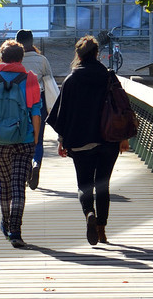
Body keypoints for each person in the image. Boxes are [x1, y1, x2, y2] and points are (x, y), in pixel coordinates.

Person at [47, 35, 121, 246]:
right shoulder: (109, 77)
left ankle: (89, 213)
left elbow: (62, 115)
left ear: (78, 55)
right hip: (108, 139)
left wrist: (62, 140)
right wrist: (123, 138)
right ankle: (102, 229)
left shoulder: (71, 80)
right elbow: (120, 107)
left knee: (85, 185)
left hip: (80, 141)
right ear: (97, 54)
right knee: (103, 184)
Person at [0, 39, 43, 249]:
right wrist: (34, 139)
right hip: (23, 139)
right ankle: (15, 231)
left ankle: (5, 223)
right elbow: (36, 111)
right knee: (18, 187)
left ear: (1, 57)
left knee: (4, 186)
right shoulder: (31, 78)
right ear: (21, 58)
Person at [16, 30, 60, 190]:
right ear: (32, 41)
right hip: (38, 103)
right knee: (38, 139)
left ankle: (27, 168)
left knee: (22, 139)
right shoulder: (42, 60)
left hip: (18, 104)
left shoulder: (14, 60)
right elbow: (50, 83)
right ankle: (36, 163)